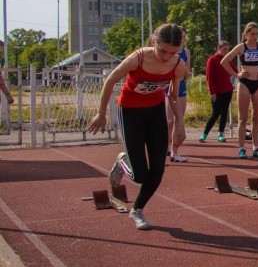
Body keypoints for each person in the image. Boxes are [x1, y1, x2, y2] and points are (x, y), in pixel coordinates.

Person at [87, 24, 188, 230]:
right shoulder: (138, 58)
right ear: (153, 42)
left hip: (155, 113)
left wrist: (180, 124)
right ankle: (122, 161)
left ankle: (138, 210)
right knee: (140, 174)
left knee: (158, 170)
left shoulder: (178, 64)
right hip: (130, 113)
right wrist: (101, 112)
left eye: (173, 52)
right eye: (163, 50)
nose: (166, 57)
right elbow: (110, 81)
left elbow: (173, 95)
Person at [220, 22, 258, 158]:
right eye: (252, 34)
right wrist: (236, 75)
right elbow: (224, 61)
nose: (255, 36)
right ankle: (241, 148)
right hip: (244, 83)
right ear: (246, 34)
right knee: (242, 118)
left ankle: (256, 148)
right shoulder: (241, 47)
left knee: (256, 118)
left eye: (257, 34)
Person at [200, 41, 234, 143]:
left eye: (228, 49)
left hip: (227, 90)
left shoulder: (228, 59)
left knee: (224, 112)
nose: (226, 51)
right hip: (217, 91)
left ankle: (221, 134)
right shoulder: (212, 60)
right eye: (224, 49)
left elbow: (235, 70)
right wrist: (212, 92)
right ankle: (204, 134)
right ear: (218, 49)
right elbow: (209, 77)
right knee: (216, 113)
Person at [165, 27, 190, 162]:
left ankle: (175, 151)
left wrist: (184, 70)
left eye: (183, 36)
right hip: (168, 87)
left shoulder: (186, 52)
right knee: (169, 121)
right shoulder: (169, 51)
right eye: (180, 36)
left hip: (181, 87)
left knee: (178, 121)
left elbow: (188, 72)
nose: (182, 39)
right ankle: (164, 148)